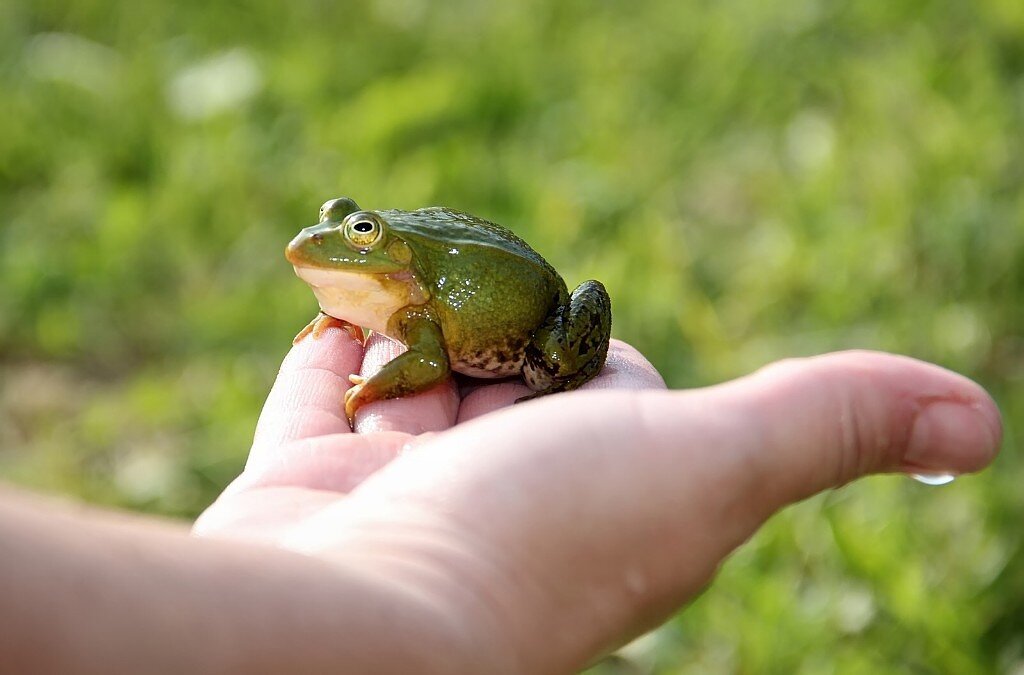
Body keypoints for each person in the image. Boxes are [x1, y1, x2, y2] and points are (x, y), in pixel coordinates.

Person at [0, 326, 1002, 673]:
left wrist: (425, 594)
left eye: (356, 235)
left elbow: (422, 355)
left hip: (533, 335)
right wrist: (425, 608)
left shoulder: (420, 324)